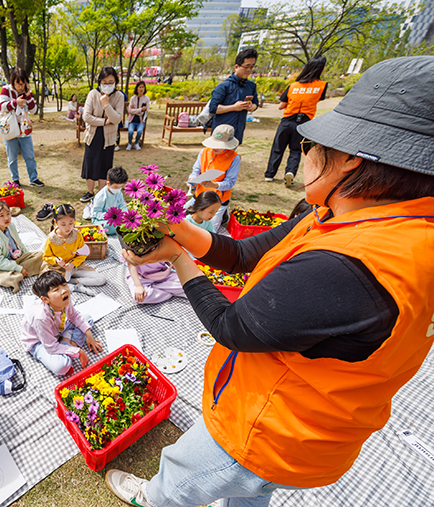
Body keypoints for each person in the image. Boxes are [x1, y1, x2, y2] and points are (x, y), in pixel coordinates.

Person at [105, 55, 434, 507]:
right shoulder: (363, 218)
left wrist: (178, 257)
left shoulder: (351, 267)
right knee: (250, 494)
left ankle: (153, 498)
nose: (306, 154)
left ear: (352, 162)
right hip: (311, 433)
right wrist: (180, 230)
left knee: (184, 477)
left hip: (270, 429)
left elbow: (231, 327)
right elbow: (243, 253)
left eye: (314, 145)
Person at [21, 271, 103, 376]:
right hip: (40, 342)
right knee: (61, 366)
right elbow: (50, 346)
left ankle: (66, 342)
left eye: (64, 285)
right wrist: (78, 352)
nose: (64, 290)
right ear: (45, 299)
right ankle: (68, 342)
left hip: (59, 329)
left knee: (87, 318)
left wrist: (89, 335)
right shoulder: (40, 317)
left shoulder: (64, 300)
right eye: (56, 290)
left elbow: (74, 316)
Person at [265, 56, 328, 187]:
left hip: (287, 120)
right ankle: (290, 172)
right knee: (295, 150)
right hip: (304, 122)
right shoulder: (322, 86)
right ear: (320, 69)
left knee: (278, 148)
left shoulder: (293, 86)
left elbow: (281, 105)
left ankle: (270, 175)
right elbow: (319, 99)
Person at [185, 124, 241, 233]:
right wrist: (192, 180)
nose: (215, 147)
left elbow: (230, 182)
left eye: (219, 145)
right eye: (214, 143)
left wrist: (215, 185)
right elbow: (196, 170)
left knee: (210, 232)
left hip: (218, 200)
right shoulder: (204, 151)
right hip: (199, 197)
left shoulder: (234, 158)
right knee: (179, 216)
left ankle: (222, 215)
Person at [80, 67, 124, 202]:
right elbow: (86, 116)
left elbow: (117, 119)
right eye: (104, 82)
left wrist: (106, 105)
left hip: (109, 137)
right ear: (100, 82)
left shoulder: (119, 96)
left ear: (116, 82)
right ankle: (89, 192)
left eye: (111, 82)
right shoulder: (93, 94)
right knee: (90, 164)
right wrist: (104, 121)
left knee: (105, 165)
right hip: (93, 135)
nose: (107, 85)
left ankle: (100, 194)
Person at [0, 201, 44, 293]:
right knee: (10, 278)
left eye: (8, 214)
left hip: (15, 258)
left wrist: (28, 256)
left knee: (40, 255)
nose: (6, 218)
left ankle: (19, 271)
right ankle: (18, 273)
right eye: (1, 216)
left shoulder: (11, 226)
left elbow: (19, 243)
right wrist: (19, 269)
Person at [0, 67, 45, 187]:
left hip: (24, 130)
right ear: (13, 81)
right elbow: (2, 107)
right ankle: (15, 181)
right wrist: (15, 102)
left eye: (22, 84)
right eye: (17, 84)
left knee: (30, 156)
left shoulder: (27, 92)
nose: (20, 87)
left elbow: (34, 110)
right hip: (10, 129)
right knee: (12, 158)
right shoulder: (5, 90)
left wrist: (28, 96)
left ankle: (33, 178)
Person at [42, 204, 107, 288]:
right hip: (58, 269)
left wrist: (72, 264)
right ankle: (66, 282)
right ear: (56, 222)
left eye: (71, 223)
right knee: (50, 285)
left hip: (75, 267)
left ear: (74, 221)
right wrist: (56, 260)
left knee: (101, 279)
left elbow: (83, 254)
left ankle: (73, 282)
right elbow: (46, 257)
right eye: (63, 224)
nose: (67, 228)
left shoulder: (77, 235)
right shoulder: (51, 239)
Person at [209, 48, 259, 144]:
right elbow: (213, 108)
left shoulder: (251, 86)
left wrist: (252, 107)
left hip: (238, 131)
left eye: (252, 67)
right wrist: (234, 107)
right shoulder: (224, 86)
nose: (249, 70)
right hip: (221, 131)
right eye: (246, 66)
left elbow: (256, 104)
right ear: (236, 66)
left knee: (232, 157)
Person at [91, 166, 128, 234]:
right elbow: (96, 213)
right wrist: (108, 216)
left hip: (117, 218)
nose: (118, 189)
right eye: (116, 187)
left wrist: (124, 213)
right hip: (102, 220)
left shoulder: (118, 192)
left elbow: (122, 205)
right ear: (108, 183)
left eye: (120, 187)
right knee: (109, 227)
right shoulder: (101, 196)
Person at [126, 81, 150, 151]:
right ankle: (130, 143)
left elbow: (145, 111)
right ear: (137, 89)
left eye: (143, 87)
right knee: (130, 132)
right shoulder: (133, 98)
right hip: (132, 120)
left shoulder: (146, 99)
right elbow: (130, 111)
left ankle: (136, 143)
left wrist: (135, 110)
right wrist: (140, 110)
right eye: (140, 87)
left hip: (141, 121)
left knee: (139, 131)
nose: (141, 89)